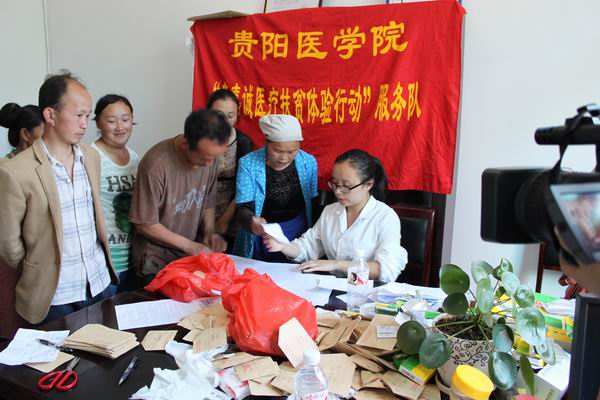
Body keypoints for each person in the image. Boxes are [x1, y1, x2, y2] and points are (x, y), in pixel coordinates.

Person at [0, 71, 118, 325]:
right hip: (55, 297)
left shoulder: (91, 157)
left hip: (100, 283)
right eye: (78, 115)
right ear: (50, 115)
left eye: (87, 116)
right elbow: (9, 244)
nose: (85, 124)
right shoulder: (15, 171)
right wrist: (38, 266)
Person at [264, 149, 407, 282]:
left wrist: (336, 264)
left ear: (368, 184)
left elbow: (386, 269)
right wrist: (283, 246)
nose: (338, 192)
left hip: (368, 290)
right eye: (335, 184)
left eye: (346, 186)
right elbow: (308, 247)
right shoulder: (331, 211)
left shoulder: (385, 217)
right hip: (334, 287)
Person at [129, 108, 229, 283]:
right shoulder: (156, 165)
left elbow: (208, 199)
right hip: (156, 260)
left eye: (215, 158)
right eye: (204, 158)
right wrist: (189, 246)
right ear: (185, 143)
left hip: (188, 257)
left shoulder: (209, 158)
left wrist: (209, 232)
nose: (209, 164)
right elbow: (144, 224)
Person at [232, 114, 318, 261]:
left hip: (298, 231)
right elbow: (242, 207)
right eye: (277, 151)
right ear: (267, 143)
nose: (284, 158)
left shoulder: (308, 162)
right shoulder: (249, 164)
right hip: (262, 233)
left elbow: (313, 201)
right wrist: (251, 222)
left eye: (292, 152)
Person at [90, 94, 140, 292]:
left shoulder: (134, 157)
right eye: (111, 121)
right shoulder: (91, 156)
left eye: (125, 120)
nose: (120, 127)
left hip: (132, 257)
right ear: (98, 123)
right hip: (104, 262)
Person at [206, 89, 253, 250]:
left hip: (230, 210)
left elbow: (244, 188)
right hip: (199, 209)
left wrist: (224, 220)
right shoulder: (197, 139)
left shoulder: (243, 143)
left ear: (237, 116)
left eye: (230, 115)